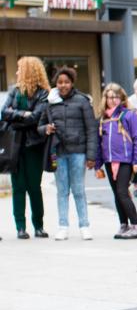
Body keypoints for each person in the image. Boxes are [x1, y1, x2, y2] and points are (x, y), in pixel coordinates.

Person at [39, 67, 98, 241]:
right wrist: (46, 129)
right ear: (55, 84)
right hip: (58, 152)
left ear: (72, 83)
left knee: (78, 190)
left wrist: (91, 156)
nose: (63, 85)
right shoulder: (50, 102)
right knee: (62, 190)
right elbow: (40, 126)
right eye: (59, 82)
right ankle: (62, 226)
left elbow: (91, 129)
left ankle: (84, 225)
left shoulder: (82, 101)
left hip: (78, 153)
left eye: (66, 82)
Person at [1, 57, 50, 239]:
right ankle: (20, 227)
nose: (16, 72)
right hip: (15, 145)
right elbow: (4, 113)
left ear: (28, 71)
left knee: (34, 187)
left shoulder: (43, 93)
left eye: (19, 69)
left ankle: (39, 226)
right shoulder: (15, 91)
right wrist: (23, 114)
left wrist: (16, 117)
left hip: (33, 145)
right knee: (18, 186)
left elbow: (36, 118)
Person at [95, 83, 137, 239]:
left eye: (116, 97)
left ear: (122, 98)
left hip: (125, 160)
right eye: (109, 97)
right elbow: (98, 142)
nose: (112, 100)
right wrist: (98, 165)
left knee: (122, 192)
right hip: (109, 161)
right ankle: (124, 224)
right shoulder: (103, 119)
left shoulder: (128, 115)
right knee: (117, 194)